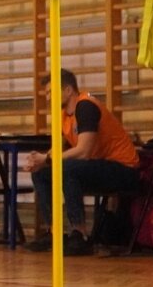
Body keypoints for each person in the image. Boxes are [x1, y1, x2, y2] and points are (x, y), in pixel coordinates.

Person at [24, 69, 140, 256]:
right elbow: (59, 149)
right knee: (41, 173)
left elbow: (84, 151)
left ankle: (80, 233)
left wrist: (47, 159)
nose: (48, 98)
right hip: (97, 166)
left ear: (68, 90)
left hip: (123, 169)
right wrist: (40, 161)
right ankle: (55, 231)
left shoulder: (85, 106)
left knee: (66, 169)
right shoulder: (62, 114)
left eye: (50, 92)